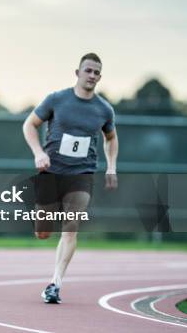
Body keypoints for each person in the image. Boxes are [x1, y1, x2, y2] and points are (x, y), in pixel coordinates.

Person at [22, 53, 118, 303]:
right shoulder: (57, 99)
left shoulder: (104, 109)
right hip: (51, 170)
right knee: (43, 232)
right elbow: (29, 125)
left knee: (70, 229)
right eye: (88, 70)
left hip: (82, 174)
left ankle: (55, 283)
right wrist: (38, 152)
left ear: (100, 77)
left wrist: (111, 167)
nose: (92, 76)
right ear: (77, 72)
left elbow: (111, 138)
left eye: (97, 72)